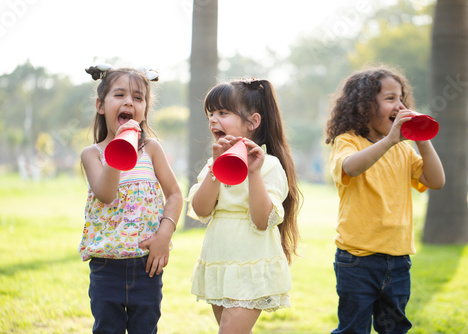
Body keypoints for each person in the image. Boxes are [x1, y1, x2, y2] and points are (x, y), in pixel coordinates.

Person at [325, 65, 445, 334]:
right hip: (357, 260)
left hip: (398, 260)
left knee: (395, 329)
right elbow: (351, 168)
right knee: (353, 329)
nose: (400, 105)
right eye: (390, 98)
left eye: (401, 98)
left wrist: (422, 139)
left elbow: (436, 181)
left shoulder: (403, 150)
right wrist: (391, 140)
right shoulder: (348, 141)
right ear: (364, 106)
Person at [186, 78, 302, 333]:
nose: (213, 120)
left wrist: (254, 173)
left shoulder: (269, 166)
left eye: (223, 113)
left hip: (252, 264)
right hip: (220, 261)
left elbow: (262, 220)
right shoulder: (213, 163)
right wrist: (215, 169)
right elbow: (201, 209)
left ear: (252, 122)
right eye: (211, 113)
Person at [79, 64, 183, 334]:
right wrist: (120, 149)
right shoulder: (92, 154)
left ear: (145, 110)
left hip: (146, 264)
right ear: (101, 106)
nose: (129, 102)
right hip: (106, 268)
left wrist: (164, 236)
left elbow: (174, 194)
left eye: (138, 98)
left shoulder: (151, 150)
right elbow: (106, 193)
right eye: (120, 95)